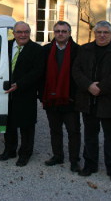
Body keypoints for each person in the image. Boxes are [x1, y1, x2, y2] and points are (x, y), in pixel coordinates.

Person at [72, 20, 111, 184]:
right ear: (95, 33)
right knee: (90, 135)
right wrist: (88, 85)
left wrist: (100, 88)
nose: (102, 35)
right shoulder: (85, 49)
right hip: (88, 99)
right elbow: (76, 70)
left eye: (106, 32)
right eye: (99, 32)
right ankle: (90, 165)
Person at [0, 21, 44, 166]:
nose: (23, 35)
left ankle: (25, 154)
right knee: (9, 125)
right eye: (19, 32)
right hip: (6, 92)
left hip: (25, 93)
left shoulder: (37, 49)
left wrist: (20, 84)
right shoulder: (6, 46)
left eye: (26, 32)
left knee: (26, 126)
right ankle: (9, 150)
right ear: (14, 33)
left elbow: (38, 71)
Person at [40, 21, 81, 172]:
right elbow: (41, 74)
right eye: (57, 31)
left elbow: (80, 75)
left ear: (69, 33)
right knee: (55, 130)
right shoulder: (46, 50)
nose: (60, 34)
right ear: (53, 33)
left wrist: (76, 96)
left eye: (64, 31)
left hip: (70, 99)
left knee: (73, 131)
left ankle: (74, 160)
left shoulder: (78, 50)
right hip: (51, 98)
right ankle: (58, 156)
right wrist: (41, 94)